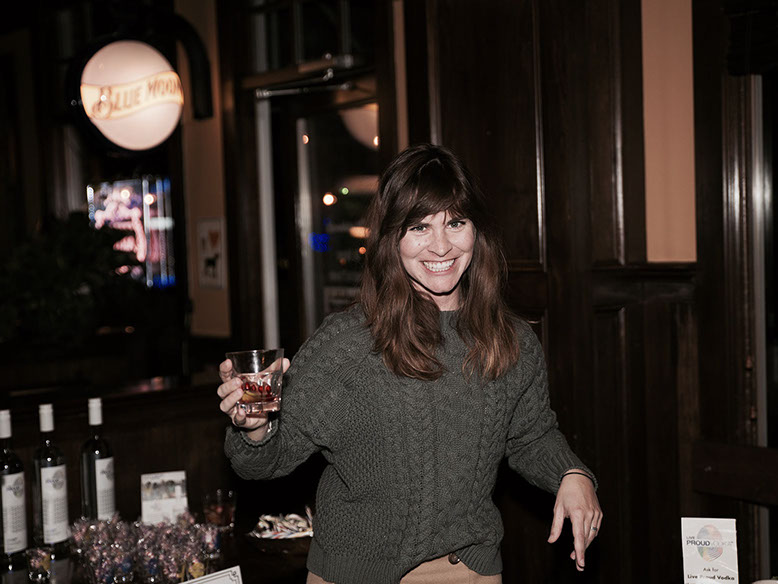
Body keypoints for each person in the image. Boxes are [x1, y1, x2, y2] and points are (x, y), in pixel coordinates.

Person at [218, 144, 602, 584]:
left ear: (477, 231)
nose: (441, 245)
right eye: (419, 227)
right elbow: (265, 461)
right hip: (355, 574)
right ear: (391, 239)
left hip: (468, 571)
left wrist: (572, 473)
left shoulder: (511, 339)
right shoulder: (348, 343)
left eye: (455, 223)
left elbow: (531, 434)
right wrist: (255, 427)